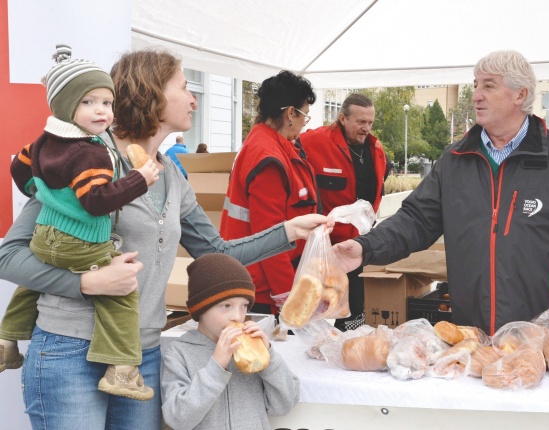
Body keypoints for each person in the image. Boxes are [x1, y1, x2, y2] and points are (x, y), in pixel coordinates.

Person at [0, 49, 329, 429]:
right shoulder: (85, 157)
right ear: (151, 92)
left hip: (143, 352)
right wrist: (85, 282)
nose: (193, 99)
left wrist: (288, 231)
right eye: (185, 87)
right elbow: (9, 256)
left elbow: (216, 252)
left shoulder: (172, 176)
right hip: (71, 349)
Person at [332, 50, 549, 337]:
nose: (476, 95)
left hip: (544, 336)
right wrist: (364, 248)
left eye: (488, 85)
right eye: (475, 85)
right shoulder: (455, 159)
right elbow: (415, 220)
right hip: (472, 335)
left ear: (520, 95)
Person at [0, 45, 160, 401]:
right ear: (65, 105)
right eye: (88, 102)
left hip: (46, 237)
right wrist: (139, 179)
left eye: (106, 101)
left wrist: (42, 191)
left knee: (33, 284)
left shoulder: (45, 139)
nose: (101, 110)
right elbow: (96, 201)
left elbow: (19, 168)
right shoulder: (90, 151)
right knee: (120, 295)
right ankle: (121, 369)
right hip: (80, 242)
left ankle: (6, 340)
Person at [161, 253, 298, 430]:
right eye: (226, 306)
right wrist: (216, 367)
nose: (237, 316)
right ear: (200, 309)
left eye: (244, 306)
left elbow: (284, 406)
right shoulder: (178, 353)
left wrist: (269, 358)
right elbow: (178, 419)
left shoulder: (251, 349)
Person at [221, 70, 319, 316]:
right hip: (261, 288)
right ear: (290, 114)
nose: (304, 123)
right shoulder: (269, 158)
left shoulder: (266, 145)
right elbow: (270, 240)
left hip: (254, 278)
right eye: (304, 115)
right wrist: (289, 300)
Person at [298, 93, 388, 331]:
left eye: (370, 122)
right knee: (311, 312)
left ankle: (348, 342)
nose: (366, 128)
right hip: (321, 249)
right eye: (360, 122)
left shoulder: (376, 149)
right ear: (342, 119)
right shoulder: (312, 142)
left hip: (356, 247)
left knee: (353, 313)